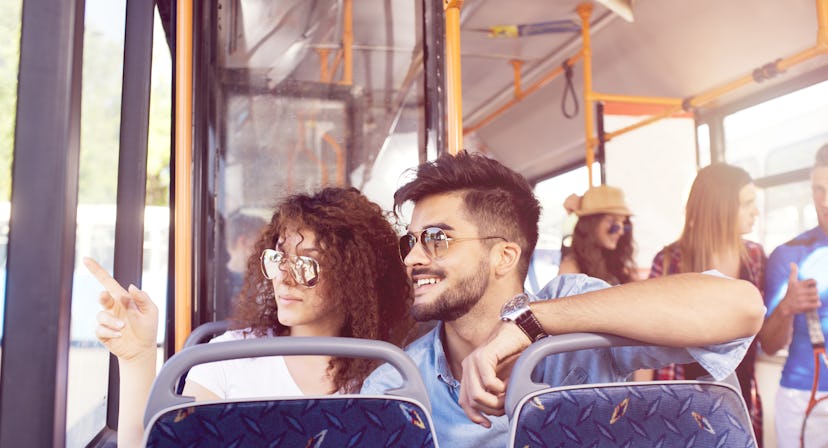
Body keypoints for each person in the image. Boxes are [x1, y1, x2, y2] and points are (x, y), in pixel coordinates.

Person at [361, 150, 765, 447]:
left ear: (504, 256)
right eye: (410, 242)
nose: (412, 258)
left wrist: (527, 323)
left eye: (437, 239)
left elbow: (742, 308)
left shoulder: (572, 309)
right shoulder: (394, 384)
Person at [88, 187, 413, 448]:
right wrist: (137, 358)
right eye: (278, 258)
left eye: (306, 264)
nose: (283, 278)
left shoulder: (387, 372)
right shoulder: (229, 357)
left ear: (354, 278)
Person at [647, 163, 765, 444]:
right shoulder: (667, 262)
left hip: (740, 393)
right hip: (678, 398)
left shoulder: (755, 256)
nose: (756, 211)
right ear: (720, 207)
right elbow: (644, 346)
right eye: (748, 203)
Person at [759, 143, 828, 448]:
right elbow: (770, 346)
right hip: (802, 399)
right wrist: (786, 308)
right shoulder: (788, 255)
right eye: (818, 189)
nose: (825, 202)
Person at [559, 185, 638, 285]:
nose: (621, 231)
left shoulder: (617, 265)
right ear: (590, 225)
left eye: (624, 224)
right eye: (613, 221)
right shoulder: (570, 269)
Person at [220, 210, 267, 315]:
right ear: (243, 241)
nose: (265, 249)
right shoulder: (217, 282)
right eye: (261, 243)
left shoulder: (262, 278)